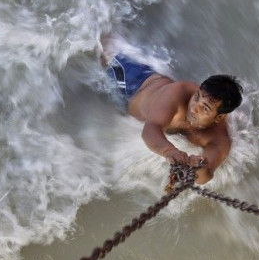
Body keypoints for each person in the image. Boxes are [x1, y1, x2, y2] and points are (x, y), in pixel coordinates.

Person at [103, 50, 243, 185]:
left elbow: (204, 176)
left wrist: (198, 168)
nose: (194, 107)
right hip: (132, 82)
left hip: (134, 102)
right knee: (101, 56)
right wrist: (169, 151)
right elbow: (151, 129)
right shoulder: (177, 94)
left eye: (205, 108)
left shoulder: (219, 138)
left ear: (219, 117)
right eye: (196, 96)